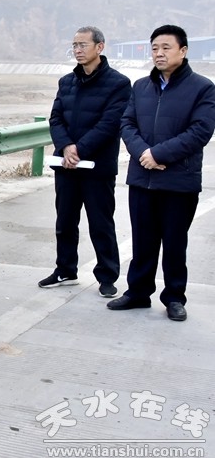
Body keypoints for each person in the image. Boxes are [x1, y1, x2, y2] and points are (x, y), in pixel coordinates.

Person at [107, 25, 215, 321]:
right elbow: (127, 123)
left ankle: (174, 297)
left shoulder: (203, 88)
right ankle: (138, 292)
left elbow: (200, 131)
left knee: (175, 242)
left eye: (166, 47)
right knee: (142, 240)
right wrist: (144, 153)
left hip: (179, 181)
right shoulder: (141, 86)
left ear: (183, 50)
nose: (159, 53)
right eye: (155, 48)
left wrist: (159, 154)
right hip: (142, 178)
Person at [40, 27, 131, 298]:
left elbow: (110, 123)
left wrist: (79, 149)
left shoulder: (119, 83)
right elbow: (56, 118)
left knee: (101, 223)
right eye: (74, 45)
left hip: (97, 167)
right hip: (67, 166)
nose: (77, 50)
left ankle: (107, 276)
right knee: (65, 222)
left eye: (83, 45)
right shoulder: (66, 81)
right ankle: (65, 270)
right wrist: (67, 147)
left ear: (100, 47)